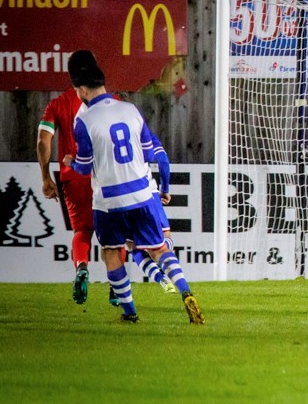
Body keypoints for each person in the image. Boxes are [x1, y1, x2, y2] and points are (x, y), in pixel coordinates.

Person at [62, 50, 204, 324]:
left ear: (80, 88)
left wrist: (69, 162)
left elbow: (83, 166)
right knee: (160, 249)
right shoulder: (130, 110)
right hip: (142, 193)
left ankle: (130, 313)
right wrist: (163, 188)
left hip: (110, 200)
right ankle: (186, 292)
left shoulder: (84, 121)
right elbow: (159, 157)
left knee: (112, 252)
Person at [37, 54, 175, 306]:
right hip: (110, 178)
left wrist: (46, 177)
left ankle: (81, 268)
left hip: (75, 175)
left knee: (82, 231)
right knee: (119, 236)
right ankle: (118, 287)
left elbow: (43, 140)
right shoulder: (115, 103)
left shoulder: (56, 105)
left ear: (74, 78)